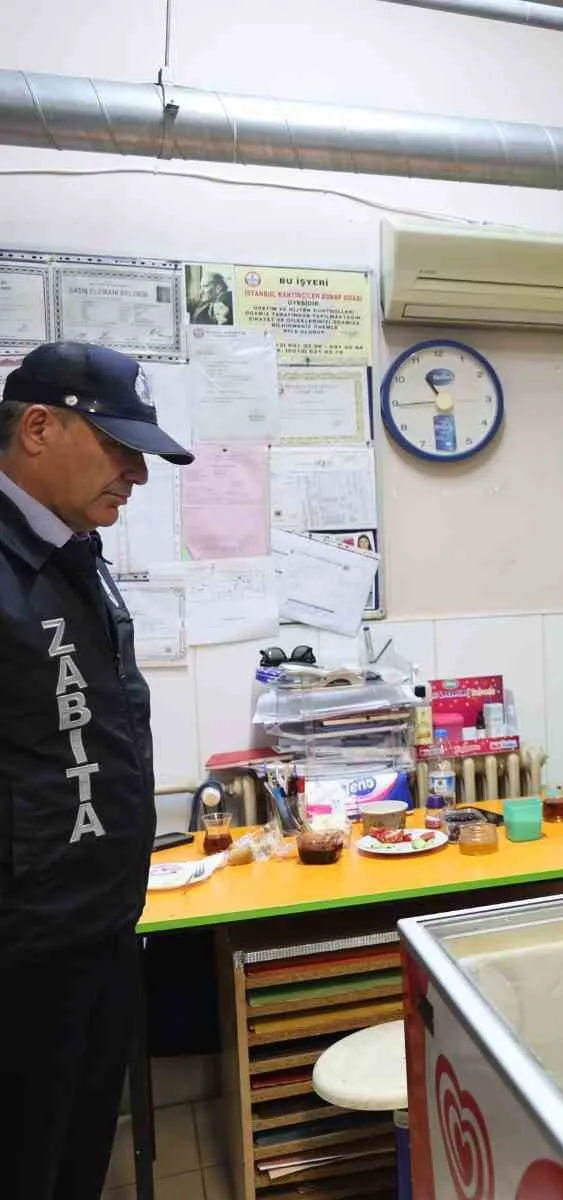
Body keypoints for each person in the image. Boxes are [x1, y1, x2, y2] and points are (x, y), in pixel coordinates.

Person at [0, 342, 194, 1199]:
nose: (136, 477)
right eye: (118, 448)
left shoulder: (76, 551)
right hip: (23, 957)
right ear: (38, 428)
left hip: (101, 931)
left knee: (76, 1162)